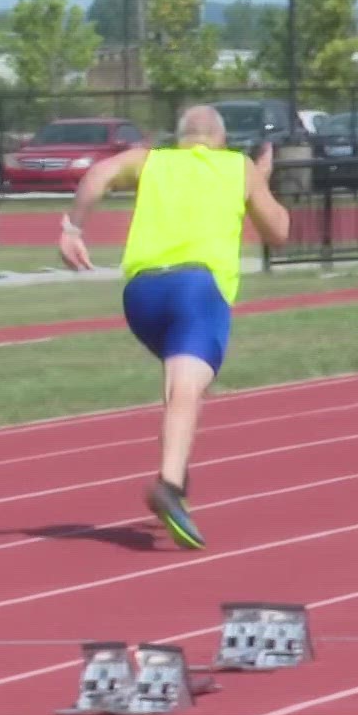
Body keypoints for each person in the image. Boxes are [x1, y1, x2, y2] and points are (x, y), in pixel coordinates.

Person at [58, 105, 289, 550]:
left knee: (180, 386)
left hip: (141, 296)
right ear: (220, 139)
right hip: (197, 290)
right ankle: (170, 483)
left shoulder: (152, 159)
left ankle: (176, 468)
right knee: (186, 387)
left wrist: (74, 228)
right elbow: (279, 231)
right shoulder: (236, 167)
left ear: (180, 137)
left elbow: (98, 173)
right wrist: (258, 180)